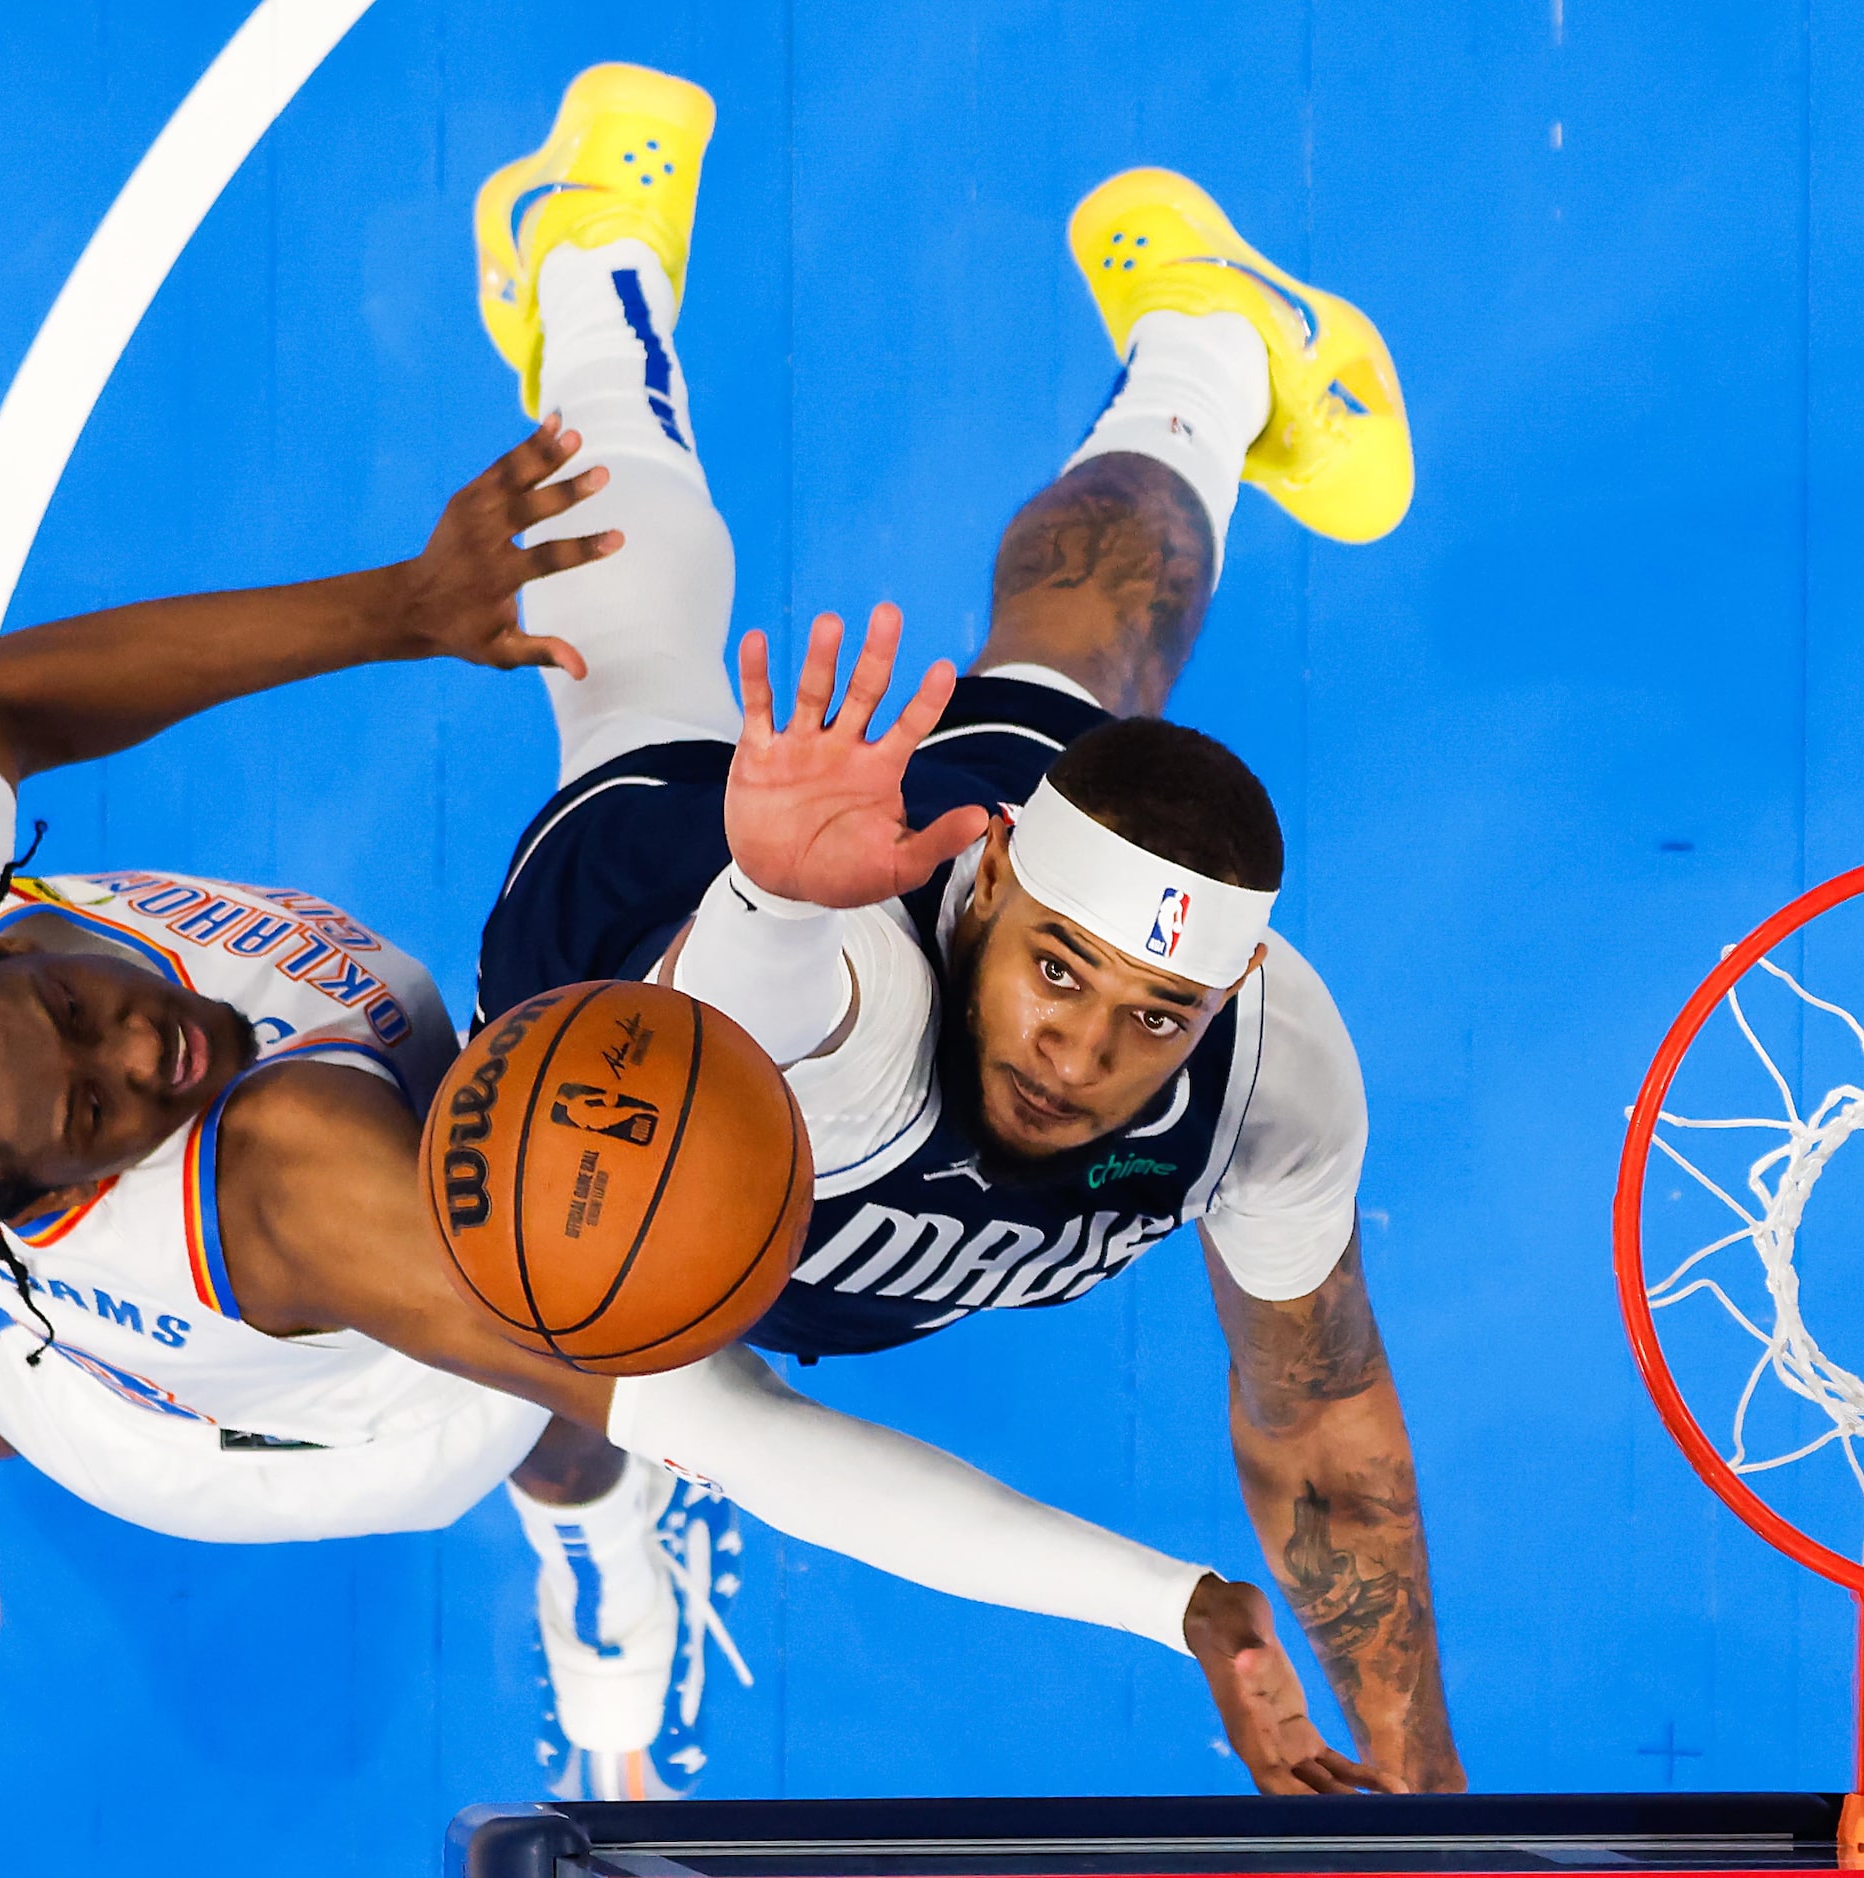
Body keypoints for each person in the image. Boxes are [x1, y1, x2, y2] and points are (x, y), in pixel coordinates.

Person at [0, 435, 1384, 1796]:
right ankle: (576, 1539)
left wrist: (395, 611)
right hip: (343, 1430)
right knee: (586, 1296)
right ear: (54, 1172)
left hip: (66, 1300)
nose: (145, 1045)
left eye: (78, 1006)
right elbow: (748, 1433)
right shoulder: (292, 1181)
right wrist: (1171, 1601)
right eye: (94, 1106)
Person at [468, 67, 1463, 1791]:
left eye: (1155, 1010)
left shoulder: (1268, 1074)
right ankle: (588, 254)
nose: (1082, 1046)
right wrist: (771, 882)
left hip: (857, 899)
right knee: (631, 636)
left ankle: (1208, 341)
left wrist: (1423, 1789)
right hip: (666, 963)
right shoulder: (838, 1029)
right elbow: (767, 1061)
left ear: (1230, 990)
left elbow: (1312, 1422)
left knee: (1085, 658)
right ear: (989, 873)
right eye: (1065, 974)